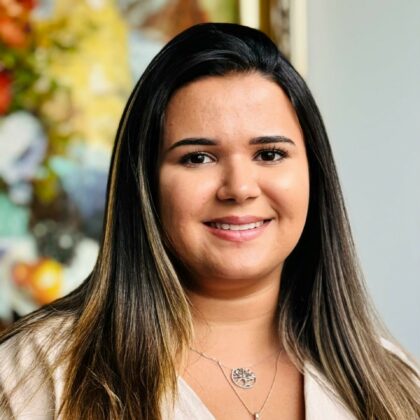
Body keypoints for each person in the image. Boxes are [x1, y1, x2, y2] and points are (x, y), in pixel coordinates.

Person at [0, 23, 419, 420]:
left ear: (314, 172)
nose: (239, 188)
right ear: (145, 184)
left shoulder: (392, 381)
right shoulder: (37, 372)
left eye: (270, 154)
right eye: (198, 157)